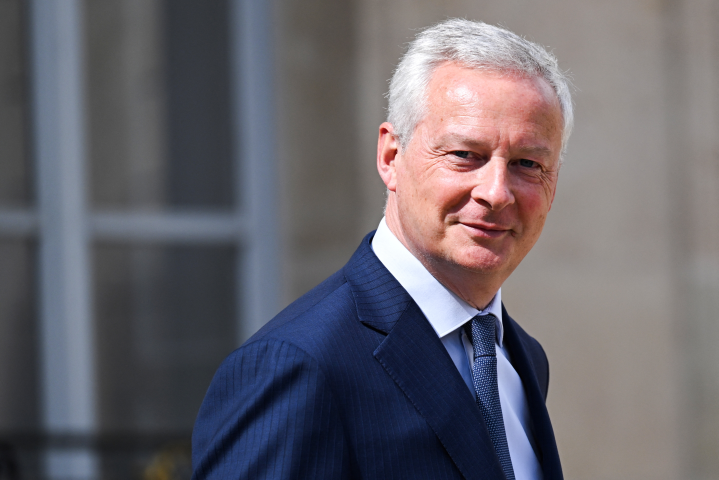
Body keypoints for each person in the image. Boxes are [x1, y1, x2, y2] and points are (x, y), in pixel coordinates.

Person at [192, 18, 572, 480]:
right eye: (464, 155)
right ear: (391, 157)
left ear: (553, 185)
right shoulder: (299, 366)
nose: (496, 192)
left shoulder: (521, 358)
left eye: (527, 164)